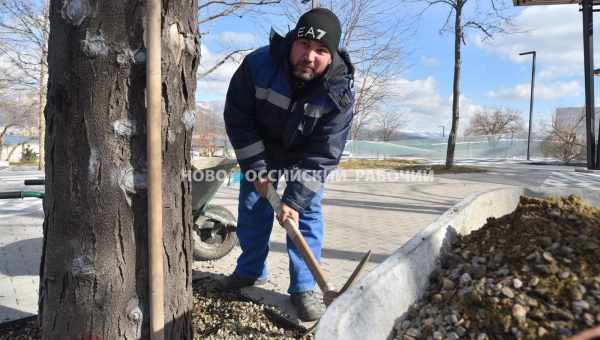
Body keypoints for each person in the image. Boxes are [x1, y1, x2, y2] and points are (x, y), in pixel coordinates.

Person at [221, 8, 355, 322]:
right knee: (253, 204)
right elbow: (238, 119)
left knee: (305, 215)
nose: (310, 56)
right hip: (261, 148)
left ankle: (306, 287)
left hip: (303, 157)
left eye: (321, 50)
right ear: (293, 41)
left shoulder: (338, 93)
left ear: (331, 54)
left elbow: (324, 153)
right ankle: (250, 271)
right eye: (304, 45)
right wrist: (256, 167)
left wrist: (293, 201)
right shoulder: (258, 65)